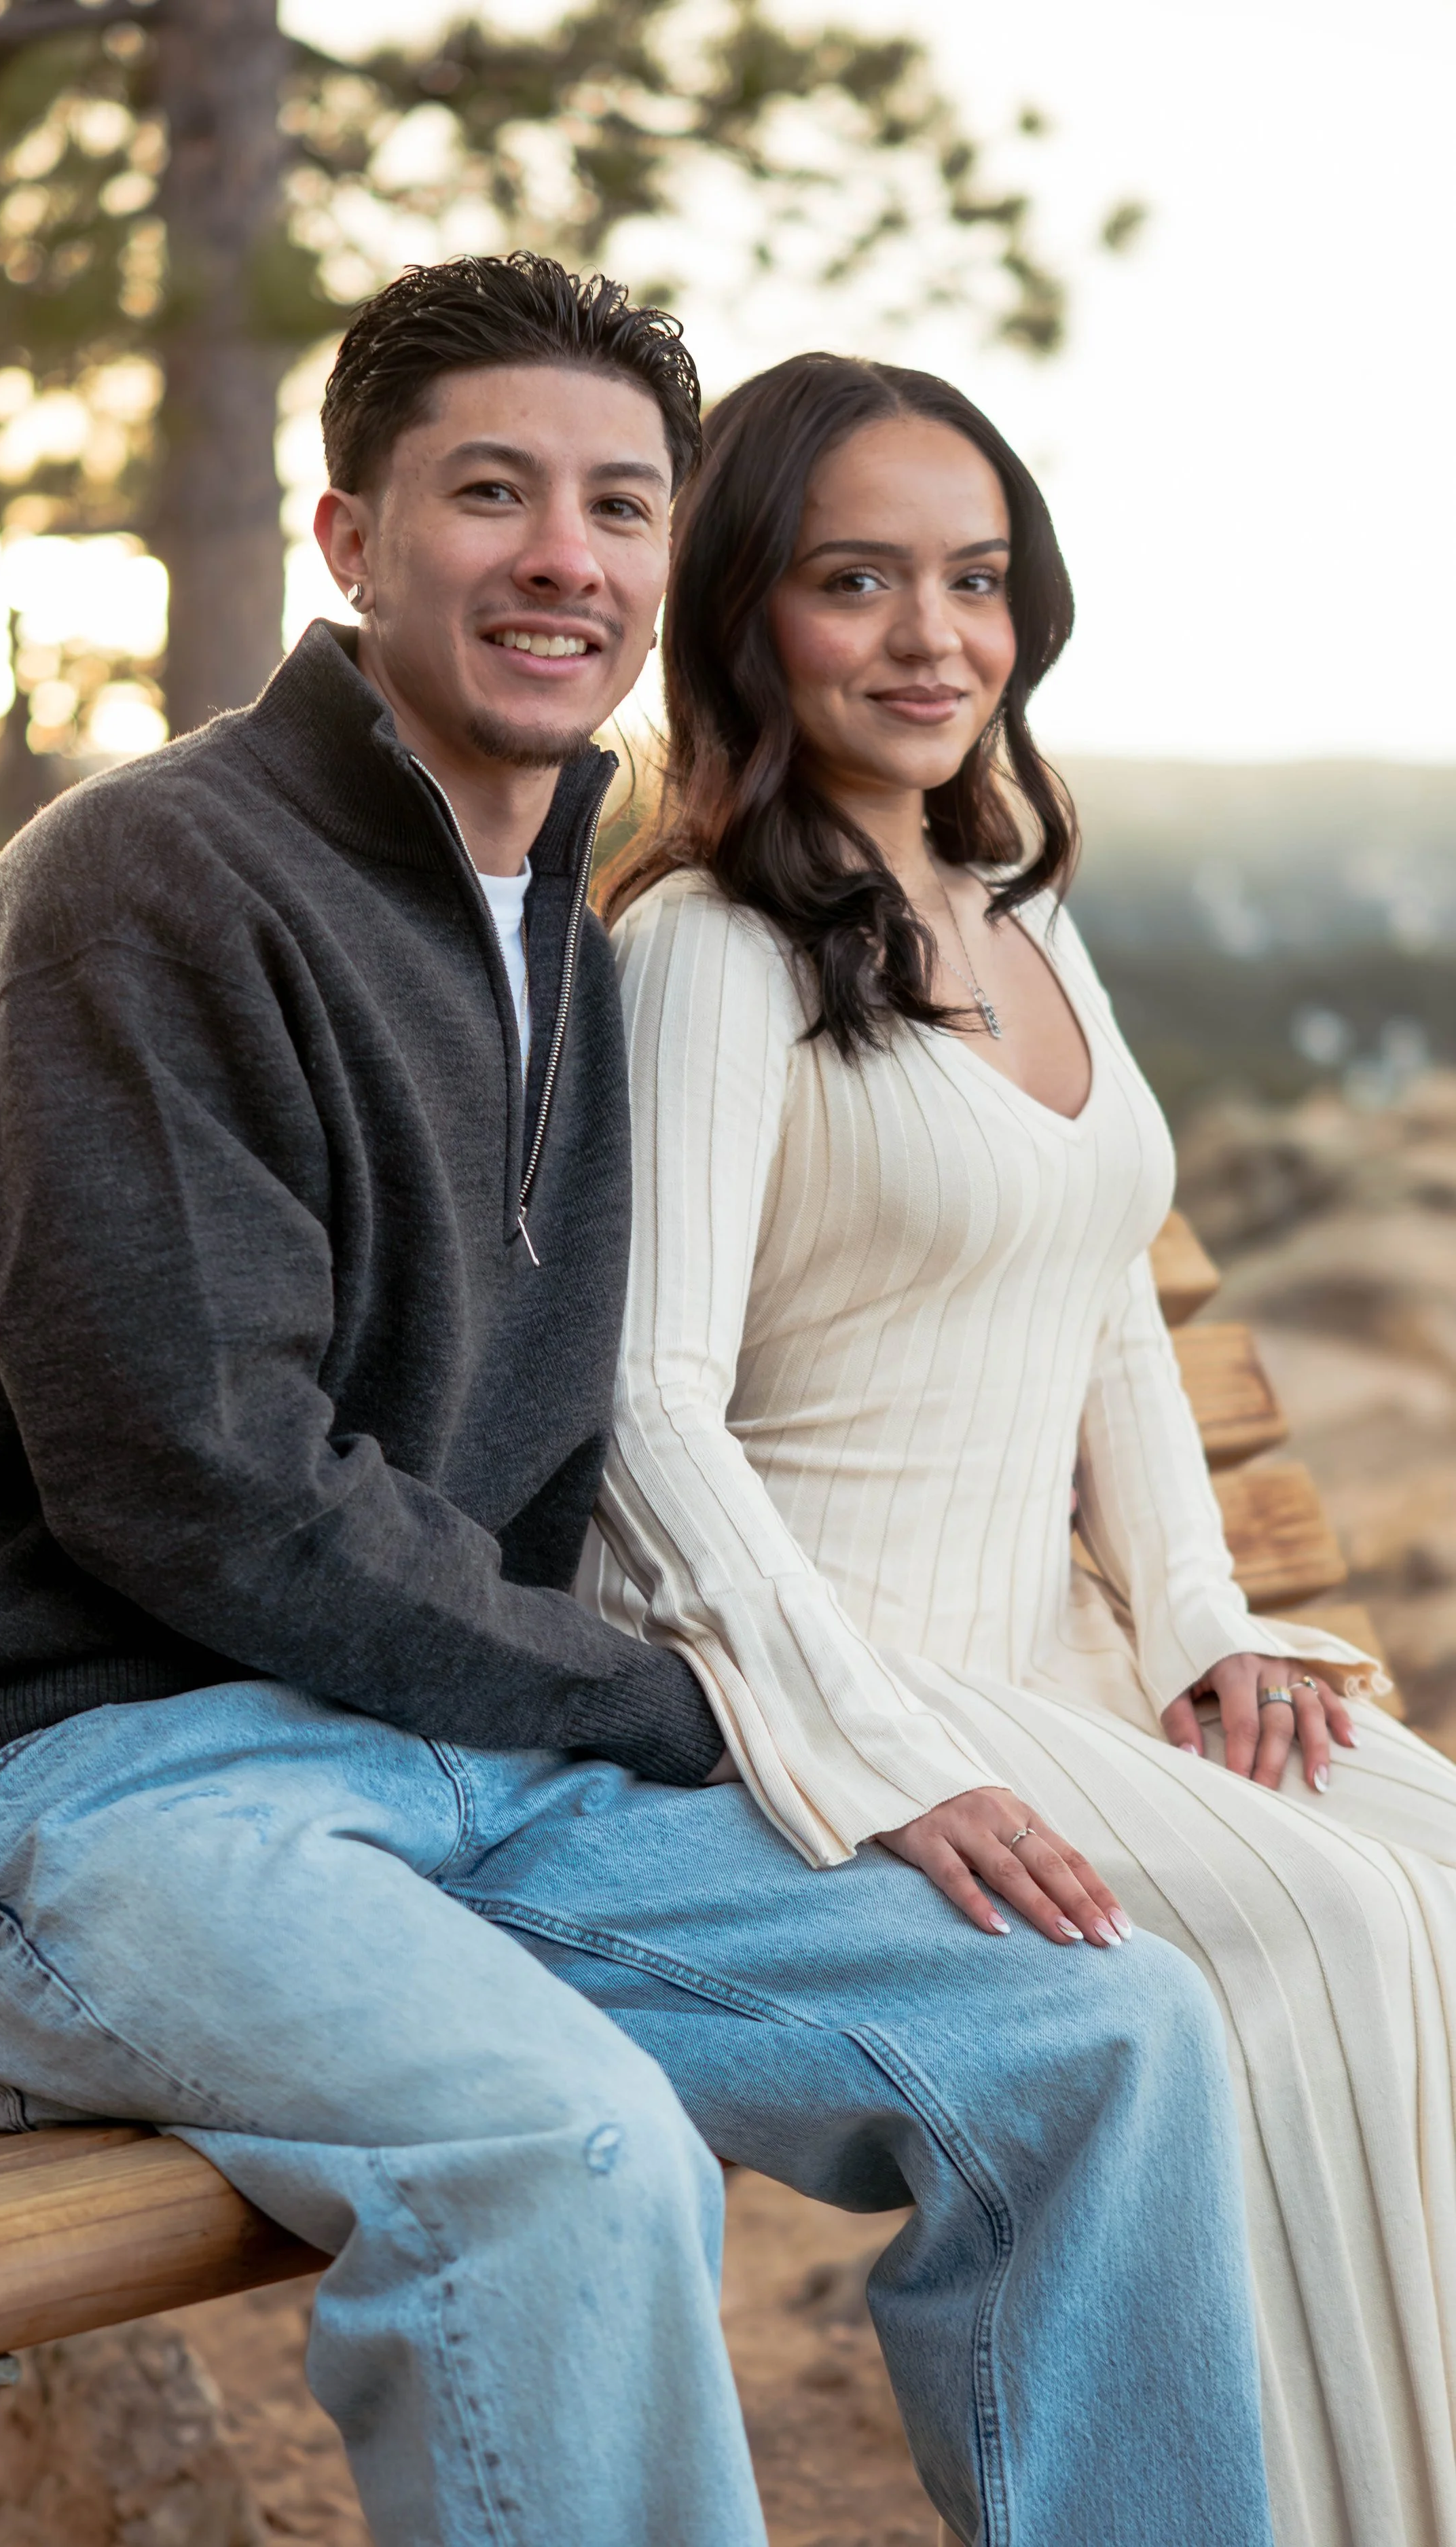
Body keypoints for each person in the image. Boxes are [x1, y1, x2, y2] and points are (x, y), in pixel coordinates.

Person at [0, 261, 1273, 2547]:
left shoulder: (562, 931)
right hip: (103, 1799)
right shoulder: (141, 884)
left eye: (616, 504)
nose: (559, 558)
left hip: (471, 1778)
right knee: (568, 2153)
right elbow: (199, 1487)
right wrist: (707, 1707)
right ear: (349, 541)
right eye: (487, 493)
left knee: (1102, 2035)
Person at [589, 345, 1456, 2547]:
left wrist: (1196, 1620)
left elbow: (1104, 1309)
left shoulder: (1022, 915)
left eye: (971, 579)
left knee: (1431, 1867)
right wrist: (867, 1753)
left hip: (1057, 1656)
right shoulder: (705, 946)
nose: (930, 637)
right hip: (837, 1682)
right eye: (854, 579)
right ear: (744, 613)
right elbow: (639, 1399)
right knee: (1326, 1936)